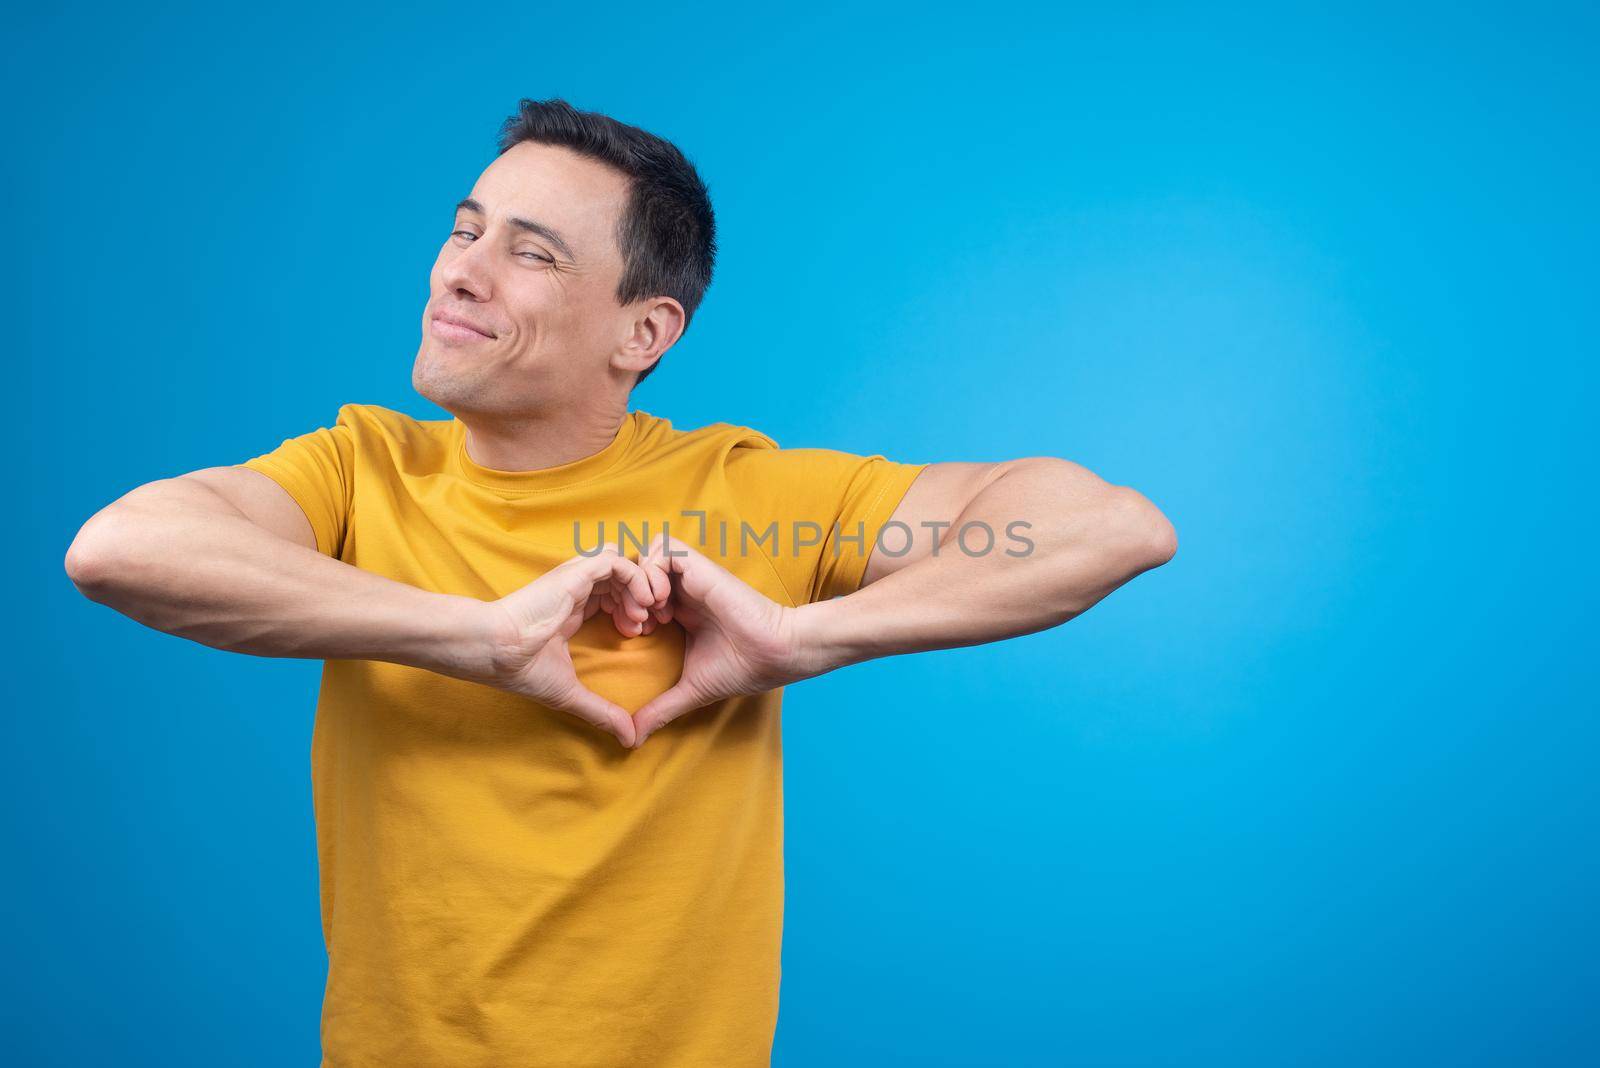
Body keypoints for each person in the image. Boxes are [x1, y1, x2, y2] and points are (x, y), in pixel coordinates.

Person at [63, 97, 1177, 1068]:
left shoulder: (748, 494)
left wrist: (805, 637)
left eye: (531, 253)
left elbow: (1103, 527)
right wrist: (473, 637)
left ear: (644, 331)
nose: (459, 268)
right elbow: (123, 549)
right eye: (465, 229)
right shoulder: (358, 474)